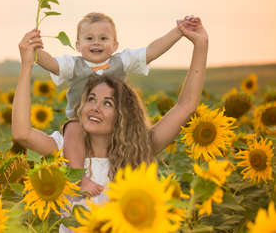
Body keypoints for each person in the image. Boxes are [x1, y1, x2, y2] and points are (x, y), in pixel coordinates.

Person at [13, 17, 207, 232]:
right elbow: (22, 133)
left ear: (123, 114)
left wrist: (200, 44)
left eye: (107, 103)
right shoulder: (66, 150)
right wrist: (27, 66)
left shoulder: (139, 149)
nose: (95, 107)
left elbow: (186, 106)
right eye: (91, 99)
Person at [34, 12, 200, 195]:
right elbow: (49, 63)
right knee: (72, 128)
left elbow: (151, 51)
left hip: (116, 122)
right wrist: (33, 49)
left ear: (115, 45)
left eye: (103, 38)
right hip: (79, 121)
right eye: (89, 38)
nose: (96, 42)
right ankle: (78, 177)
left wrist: (178, 31)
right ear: (78, 45)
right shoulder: (72, 65)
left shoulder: (122, 61)